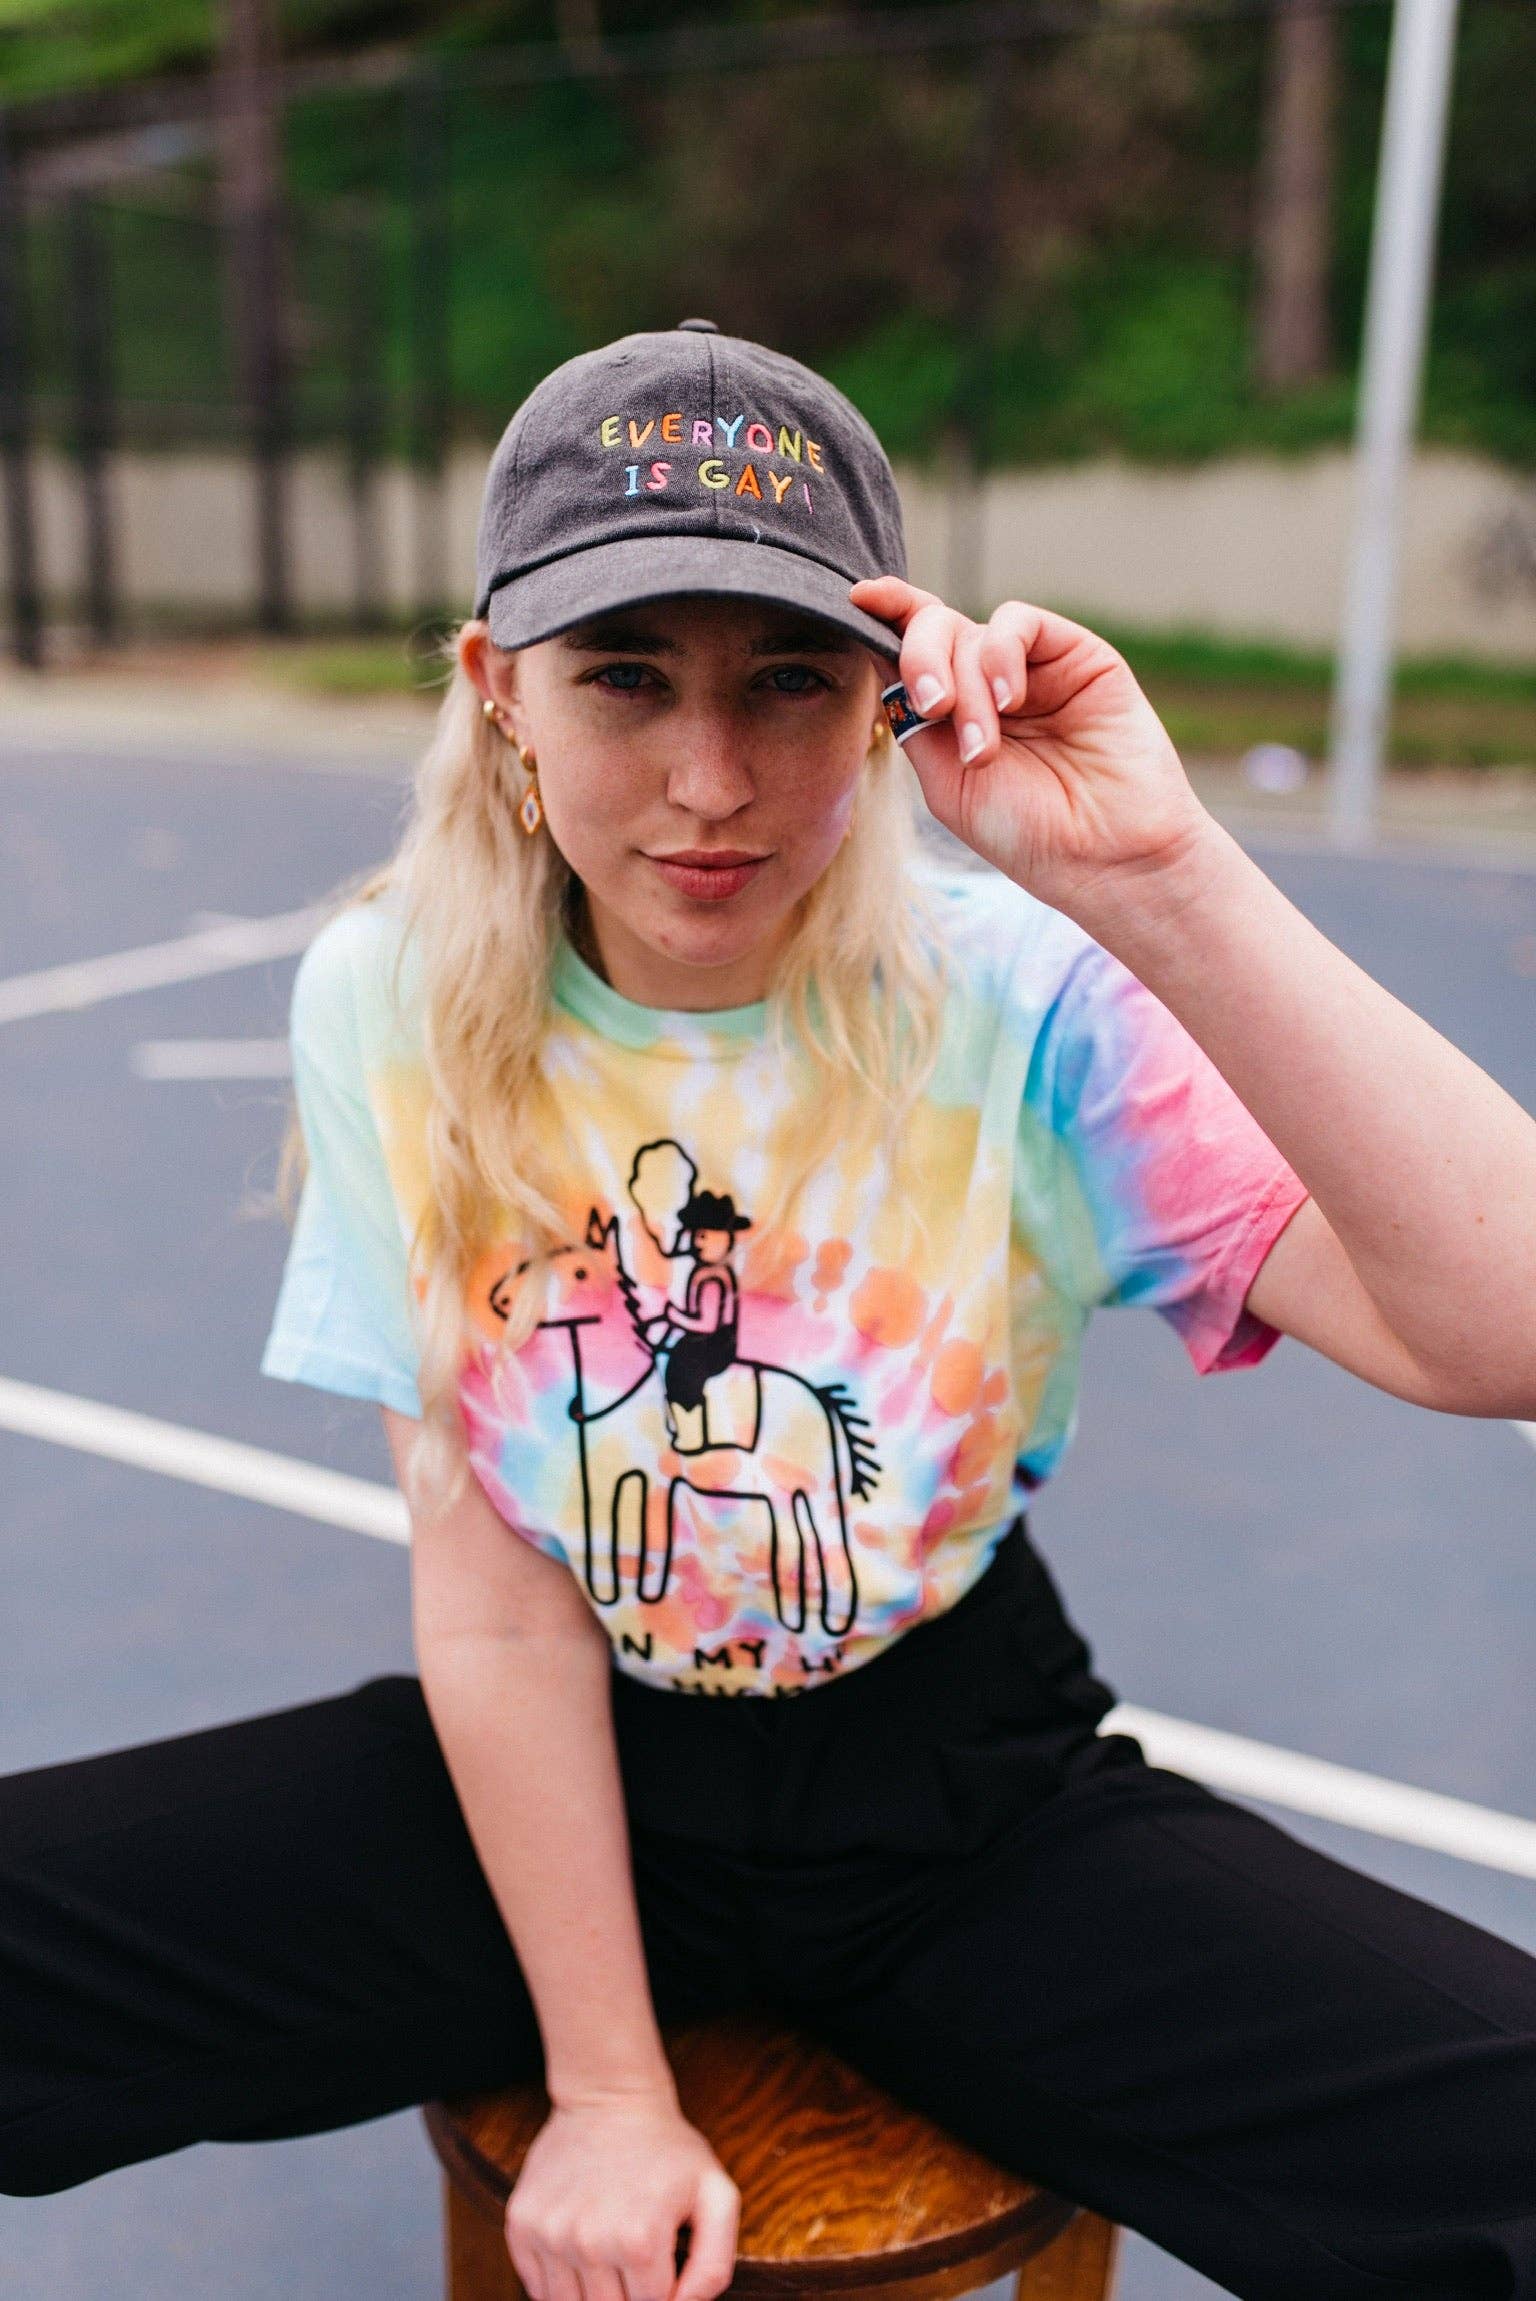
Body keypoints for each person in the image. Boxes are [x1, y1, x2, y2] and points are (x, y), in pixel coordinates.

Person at [4, 319, 1535, 2301]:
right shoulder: (391, 998)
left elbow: (1499, 1327)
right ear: (499, 694)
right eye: (627, 678)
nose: (708, 782)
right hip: (551, 1772)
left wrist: (1161, 871)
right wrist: (608, 2079)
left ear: (892, 694)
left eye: (791, 682)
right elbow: (487, 1593)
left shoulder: (1021, 989)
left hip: (955, 1795)